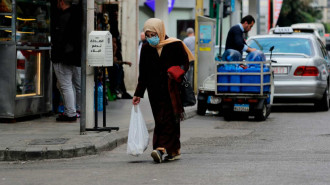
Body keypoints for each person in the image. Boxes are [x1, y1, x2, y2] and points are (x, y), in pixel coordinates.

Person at [132, 18, 194, 163]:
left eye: (152, 34)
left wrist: (176, 71)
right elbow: (144, 73)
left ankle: (160, 148)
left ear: (160, 31)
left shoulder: (175, 44)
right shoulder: (147, 48)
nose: (150, 38)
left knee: (170, 118)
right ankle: (174, 150)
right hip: (154, 91)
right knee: (160, 119)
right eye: (147, 35)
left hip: (172, 89)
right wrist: (138, 93)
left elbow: (185, 63)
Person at [51, 0, 81, 121]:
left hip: (63, 56)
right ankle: (73, 110)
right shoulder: (76, 15)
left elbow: (60, 38)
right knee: (66, 84)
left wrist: (57, 52)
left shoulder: (64, 17)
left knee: (65, 85)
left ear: (62, 2)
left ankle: (70, 113)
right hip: (72, 57)